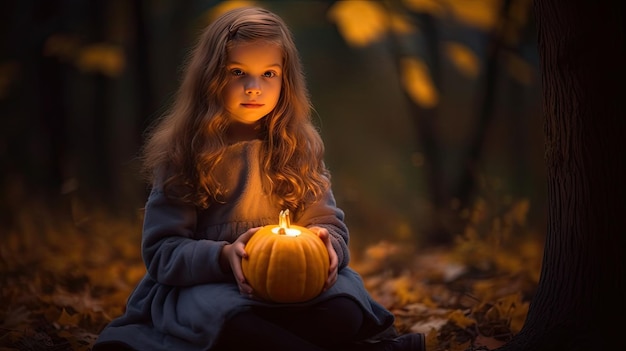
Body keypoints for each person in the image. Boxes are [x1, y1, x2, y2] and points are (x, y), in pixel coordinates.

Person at [93, 6, 425, 351]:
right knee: (233, 324)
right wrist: (224, 256)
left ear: (286, 80)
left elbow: (330, 226)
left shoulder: (300, 146)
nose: (254, 87)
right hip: (210, 286)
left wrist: (327, 249)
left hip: (297, 286)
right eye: (238, 72)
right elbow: (162, 253)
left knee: (344, 311)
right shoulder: (185, 153)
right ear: (210, 77)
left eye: (269, 74)